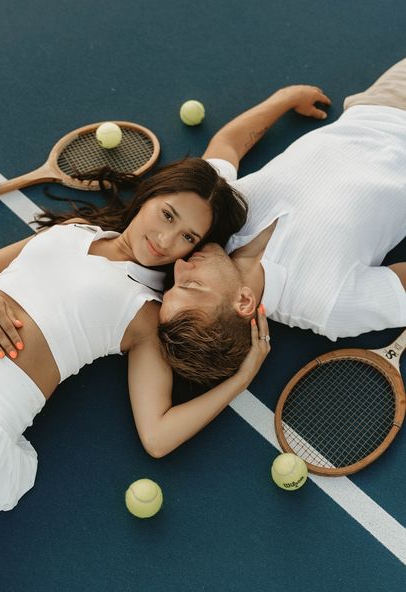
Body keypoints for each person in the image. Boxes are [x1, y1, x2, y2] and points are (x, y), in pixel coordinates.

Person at [0, 156, 261, 555]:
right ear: (150, 196)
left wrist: (242, 378)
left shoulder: (147, 313)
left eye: (188, 238)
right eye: (167, 215)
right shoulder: (74, 230)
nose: (167, 239)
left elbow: (157, 436)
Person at [158, 58, 406, 384]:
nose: (180, 267)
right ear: (243, 301)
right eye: (191, 284)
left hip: (381, 105)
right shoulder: (326, 307)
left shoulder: (215, 221)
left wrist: (284, 99)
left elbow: (226, 147)